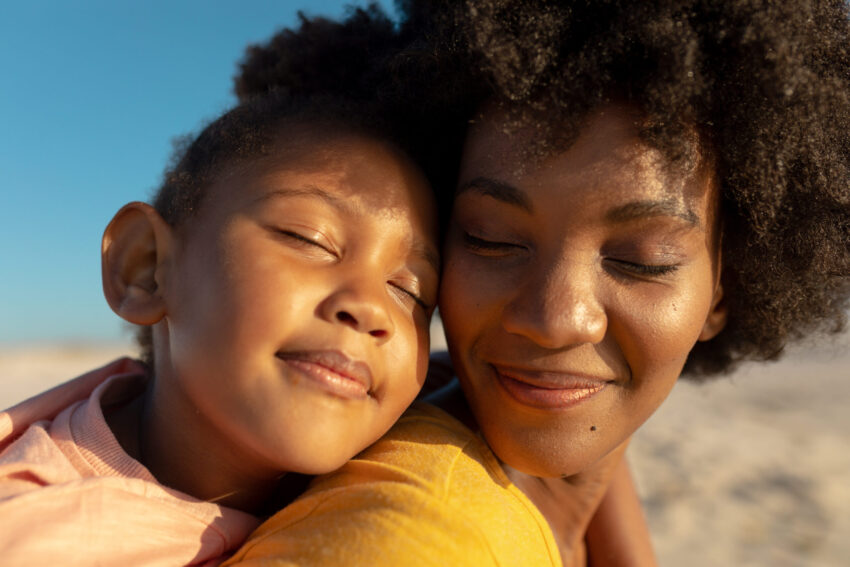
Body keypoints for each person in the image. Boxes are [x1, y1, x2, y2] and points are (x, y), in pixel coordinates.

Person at [225, 1, 850, 565]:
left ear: (722, 293)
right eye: (492, 239)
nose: (556, 318)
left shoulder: (581, 457)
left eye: (642, 259)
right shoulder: (416, 527)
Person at [0, 81, 448, 564]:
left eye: (411, 292)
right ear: (145, 268)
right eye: (309, 239)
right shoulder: (41, 536)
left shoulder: (440, 442)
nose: (371, 308)